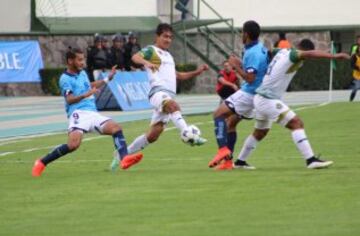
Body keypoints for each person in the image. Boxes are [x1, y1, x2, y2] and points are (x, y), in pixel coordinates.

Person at [232, 39, 350, 170]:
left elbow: (266, 53)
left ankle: (240, 162)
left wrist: (242, 63)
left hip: (261, 97)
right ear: (302, 50)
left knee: (260, 132)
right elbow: (310, 54)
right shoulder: (294, 55)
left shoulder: (281, 51)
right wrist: (334, 56)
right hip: (267, 99)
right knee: (296, 123)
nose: (306, 59)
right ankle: (311, 160)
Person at [110, 23, 209, 170]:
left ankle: (120, 156)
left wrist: (197, 72)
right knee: (174, 107)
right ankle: (188, 134)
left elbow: (178, 75)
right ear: (158, 37)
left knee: (153, 135)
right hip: (157, 92)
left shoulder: (168, 55)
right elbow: (135, 57)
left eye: (170, 37)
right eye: (165, 36)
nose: (168, 39)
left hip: (168, 95)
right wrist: (146, 63)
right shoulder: (152, 50)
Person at [32, 48, 143, 177]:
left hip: (92, 113)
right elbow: (69, 99)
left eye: (83, 59)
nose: (82, 62)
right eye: (79, 60)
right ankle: (41, 162)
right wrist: (86, 95)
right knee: (73, 145)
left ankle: (124, 159)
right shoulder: (65, 79)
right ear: (70, 61)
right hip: (78, 113)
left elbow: (89, 85)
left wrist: (107, 79)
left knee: (116, 128)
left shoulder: (82, 73)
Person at [208, 20, 269, 170]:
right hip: (258, 93)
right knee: (231, 124)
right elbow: (254, 69)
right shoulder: (258, 48)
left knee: (218, 115)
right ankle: (228, 162)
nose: (241, 34)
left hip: (249, 93)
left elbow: (250, 78)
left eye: (242, 32)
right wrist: (240, 63)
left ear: (246, 34)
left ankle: (223, 150)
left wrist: (235, 66)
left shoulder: (253, 52)